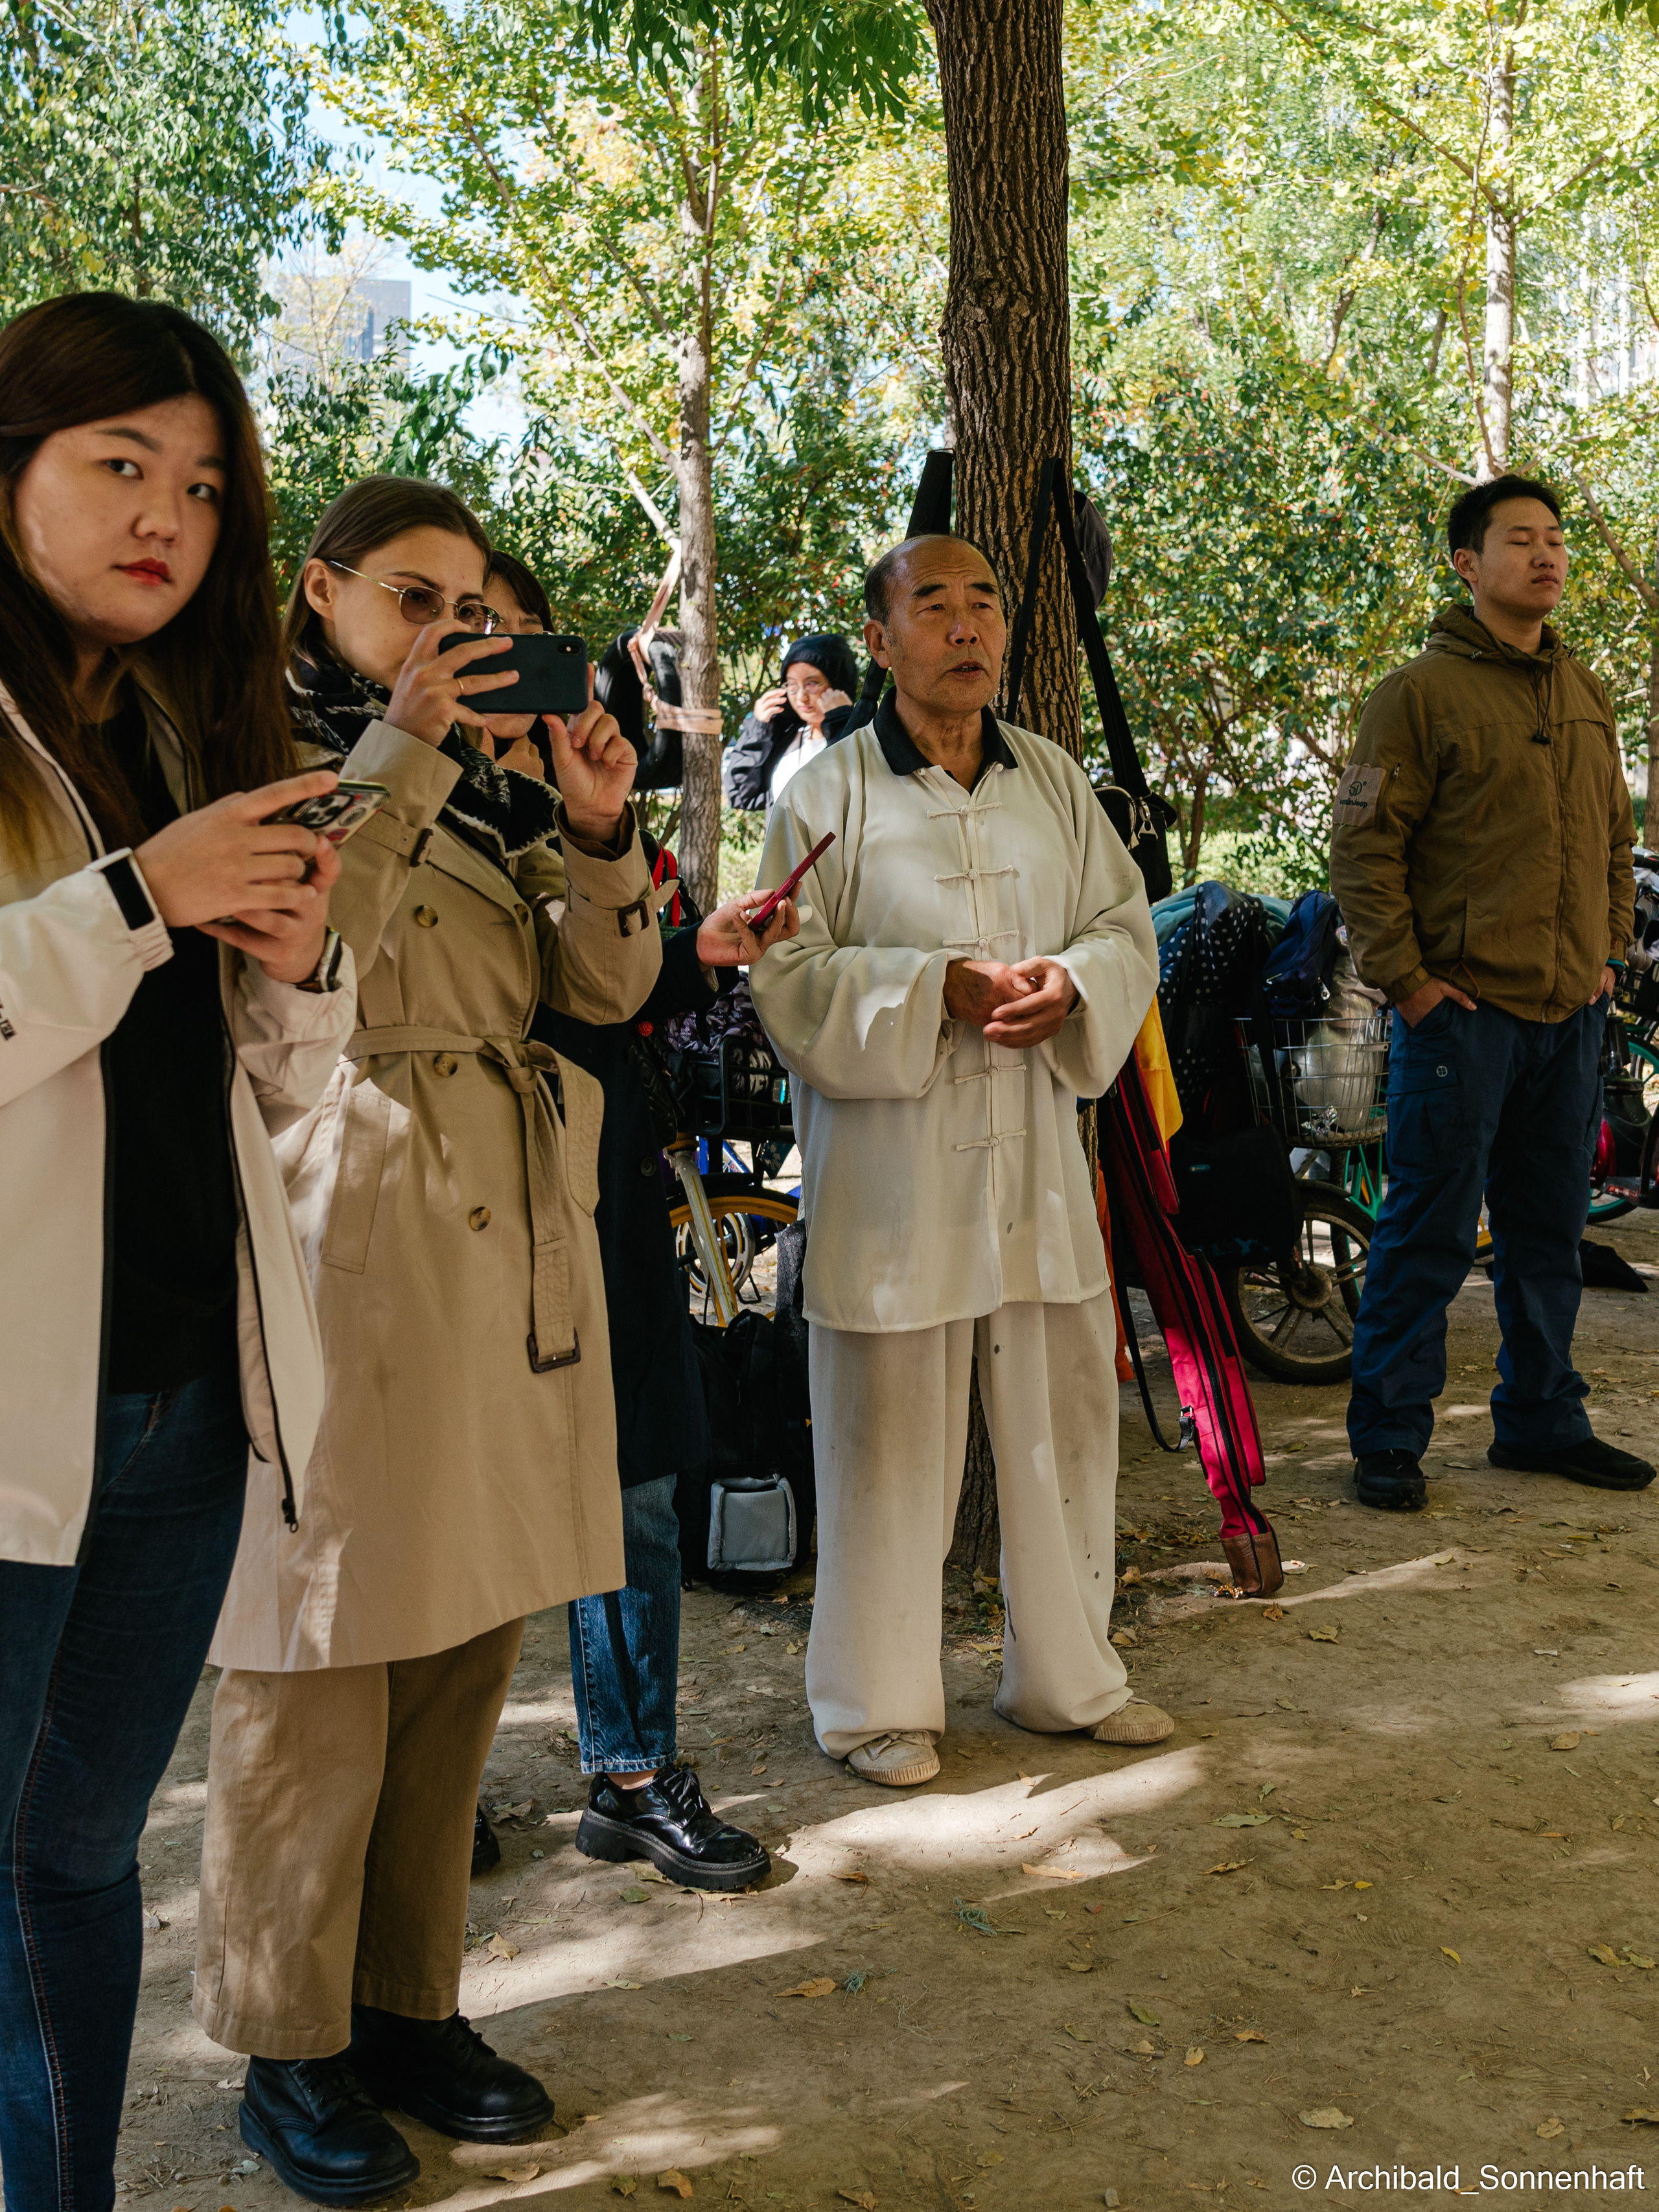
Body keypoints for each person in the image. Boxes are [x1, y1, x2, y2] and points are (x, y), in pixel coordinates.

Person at [191, 476, 662, 2206]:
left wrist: (600, 832)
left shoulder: (483, 790)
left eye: (477, 610)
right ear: (318, 594)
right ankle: (284, 2039)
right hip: (337, 1233)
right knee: (316, 1658)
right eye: (414, 597)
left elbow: (601, 999)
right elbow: (290, 968)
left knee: (461, 1640)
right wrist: (400, 749)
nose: (454, 636)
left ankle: (404, 2002)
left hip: (499, 1237)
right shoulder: (249, 758)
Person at [0, 291, 356, 2212]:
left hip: (180, 1405)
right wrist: (140, 894)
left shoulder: (161, 730)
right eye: (117, 463)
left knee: (72, 1858)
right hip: (6, 1415)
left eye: (202, 483)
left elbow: (263, 1089)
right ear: (9, 474)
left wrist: (299, 980)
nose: (165, 514)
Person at [748, 533, 1170, 1788]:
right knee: (885, 1430)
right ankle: (873, 1701)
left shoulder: (1049, 778)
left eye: (983, 600)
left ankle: (1065, 1674)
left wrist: (1072, 981)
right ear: (876, 640)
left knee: (1062, 1417)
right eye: (931, 603)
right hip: (893, 1169)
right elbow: (783, 968)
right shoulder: (820, 794)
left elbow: (1121, 925)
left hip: (1035, 1151)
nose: (965, 624)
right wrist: (930, 986)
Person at [469, 550, 797, 1891]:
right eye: (450, 626)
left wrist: (689, 948)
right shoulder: (368, 789)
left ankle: (629, 1769)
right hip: (456, 1193)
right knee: (457, 1498)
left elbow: (600, 988)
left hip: (601, 1178)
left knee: (638, 1486)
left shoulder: (586, 801)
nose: (497, 655)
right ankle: (432, 1781)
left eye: (520, 635)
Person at [1330, 473, 1650, 1512]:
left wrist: (1607, 954)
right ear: (1469, 565)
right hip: (1460, 1017)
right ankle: (1388, 1437)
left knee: (1548, 1230)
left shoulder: (1584, 690)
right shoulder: (1417, 696)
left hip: (1570, 1013)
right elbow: (1364, 852)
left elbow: (1612, 839)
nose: (1548, 555)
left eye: (1555, 539)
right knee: (1426, 1229)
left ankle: (1542, 1418)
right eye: (1521, 540)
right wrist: (1410, 985)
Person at [722, 632, 859, 810]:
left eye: (812, 684)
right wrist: (759, 730)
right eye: (792, 685)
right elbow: (742, 794)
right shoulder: (788, 738)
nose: (801, 697)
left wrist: (841, 722)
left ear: (838, 684)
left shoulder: (861, 737)